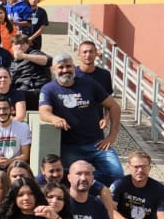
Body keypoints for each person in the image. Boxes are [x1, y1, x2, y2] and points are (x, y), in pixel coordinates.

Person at [39, 52, 123, 186]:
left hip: (97, 145)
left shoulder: (88, 83)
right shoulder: (49, 89)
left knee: (116, 174)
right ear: (53, 70)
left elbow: (113, 106)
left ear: (74, 67)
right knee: (69, 177)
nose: (65, 70)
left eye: (68, 66)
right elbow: (43, 112)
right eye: (60, 67)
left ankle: (91, 184)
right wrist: (54, 118)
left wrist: (112, 136)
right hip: (70, 147)